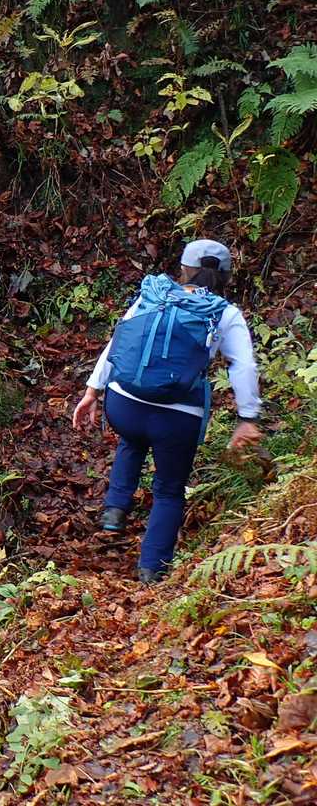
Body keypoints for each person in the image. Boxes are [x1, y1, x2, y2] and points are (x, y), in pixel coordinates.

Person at [72, 239, 263, 583]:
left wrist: (92, 390)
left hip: (123, 403)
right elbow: (244, 366)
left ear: (184, 270)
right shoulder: (224, 313)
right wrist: (247, 417)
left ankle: (114, 510)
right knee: (169, 490)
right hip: (177, 418)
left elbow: (119, 341)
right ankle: (151, 570)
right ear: (225, 276)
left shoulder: (154, 294)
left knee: (132, 439)